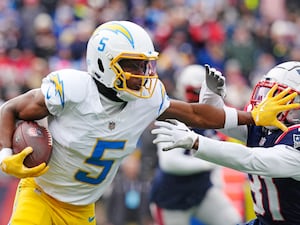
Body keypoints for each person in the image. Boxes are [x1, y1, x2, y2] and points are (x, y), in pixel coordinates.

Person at [0, 21, 295, 225]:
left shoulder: (147, 99)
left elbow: (196, 114)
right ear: (103, 63)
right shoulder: (72, 89)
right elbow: (10, 109)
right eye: (132, 65)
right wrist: (4, 157)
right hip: (41, 193)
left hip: (80, 207)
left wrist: (252, 117)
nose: (142, 73)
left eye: (145, 64)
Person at [151, 61, 300, 225]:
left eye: (277, 96)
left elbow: (252, 159)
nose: (265, 102)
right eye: (266, 93)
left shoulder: (295, 138)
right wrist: (212, 100)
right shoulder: (270, 126)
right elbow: (225, 125)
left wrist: (197, 142)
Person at [149, 64, 242, 225]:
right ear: (182, 89)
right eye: (196, 91)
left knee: (233, 221)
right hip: (172, 197)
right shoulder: (173, 115)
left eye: (206, 91)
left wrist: (217, 182)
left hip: (202, 191)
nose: (201, 97)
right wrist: (209, 163)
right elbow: (169, 163)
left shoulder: (219, 115)